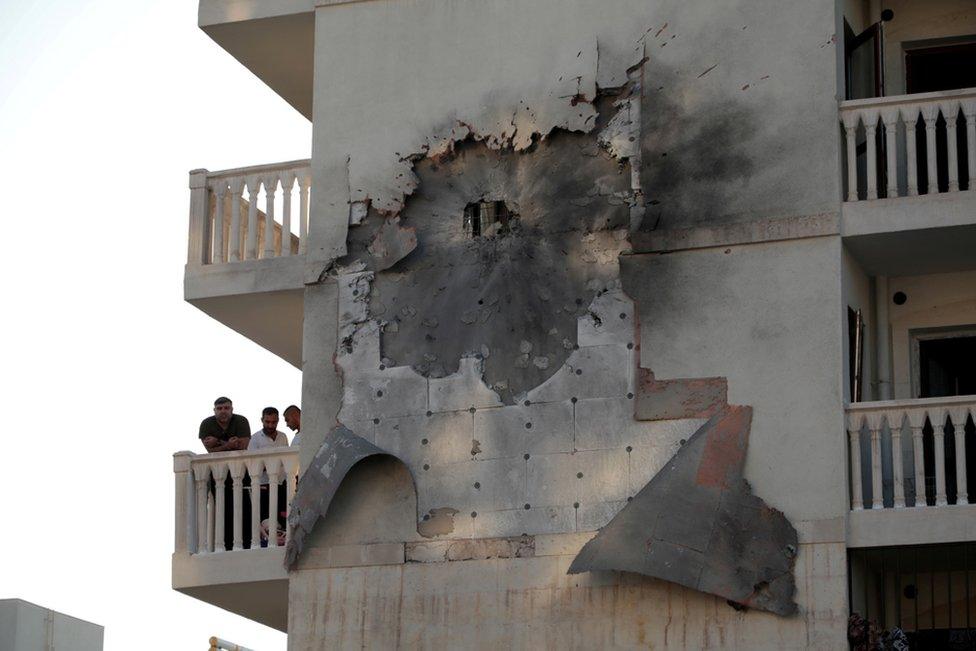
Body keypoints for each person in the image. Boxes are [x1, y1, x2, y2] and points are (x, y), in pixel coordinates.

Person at [198, 397, 252, 550]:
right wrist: (229, 444)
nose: (223, 411)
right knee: (223, 509)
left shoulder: (241, 421)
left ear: (232, 409)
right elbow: (209, 450)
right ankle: (227, 545)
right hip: (218, 474)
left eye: (226, 408)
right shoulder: (207, 424)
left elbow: (242, 446)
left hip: (241, 471)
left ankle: (246, 544)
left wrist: (219, 443)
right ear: (214, 410)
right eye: (219, 408)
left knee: (244, 508)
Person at [249, 407, 288, 545]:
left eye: (274, 422)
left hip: (281, 482)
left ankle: (282, 540)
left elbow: (286, 460)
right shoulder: (255, 439)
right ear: (262, 420)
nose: (271, 425)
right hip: (263, 484)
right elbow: (252, 463)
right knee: (266, 516)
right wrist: (268, 466)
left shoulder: (283, 437)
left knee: (282, 515)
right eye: (267, 422)